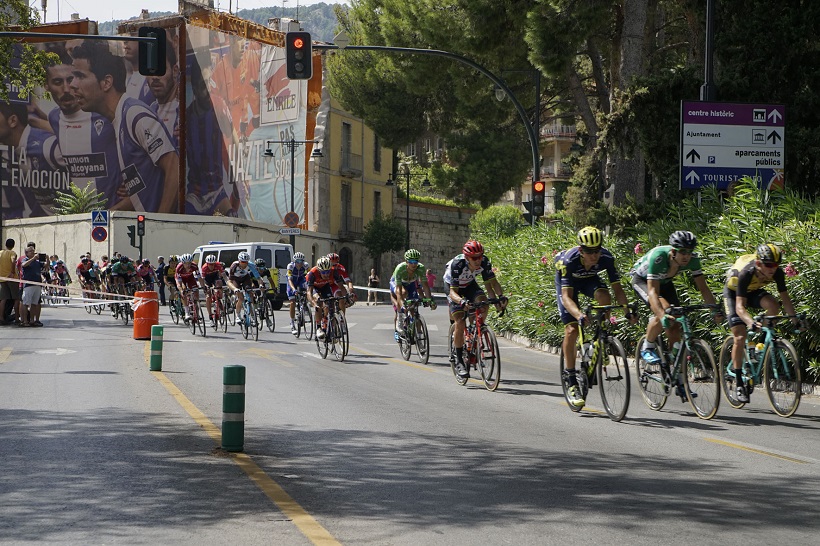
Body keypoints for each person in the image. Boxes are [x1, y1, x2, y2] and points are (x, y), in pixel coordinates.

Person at [70, 40, 179, 213]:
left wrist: (159, 225)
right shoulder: (120, 119)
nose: (72, 84)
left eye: (80, 76)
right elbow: (144, 193)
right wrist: (105, 218)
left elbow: (174, 167)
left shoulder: (135, 115)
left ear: (106, 82)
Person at [631, 231, 724, 398]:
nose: (686, 256)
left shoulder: (693, 259)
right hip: (643, 281)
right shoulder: (659, 257)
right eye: (682, 252)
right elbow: (652, 292)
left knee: (676, 327)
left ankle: (680, 381)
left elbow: (703, 288)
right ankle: (648, 346)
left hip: (665, 282)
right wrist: (661, 314)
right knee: (664, 310)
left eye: (689, 252)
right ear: (673, 251)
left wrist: (714, 309)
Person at [554, 226, 637, 407]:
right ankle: (570, 379)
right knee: (571, 328)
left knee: (604, 297)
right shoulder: (569, 261)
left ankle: (601, 337)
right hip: (568, 285)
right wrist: (579, 315)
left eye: (597, 251)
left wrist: (627, 311)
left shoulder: (606, 258)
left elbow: (618, 290)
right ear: (581, 250)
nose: (594, 256)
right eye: (590, 252)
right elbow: (567, 298)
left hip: (589, 280)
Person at [44, 46, 121, 208]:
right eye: (58, 82)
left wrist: (132, 184)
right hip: (80, 214)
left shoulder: (104, 113)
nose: (67, 89)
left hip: (112, 212)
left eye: (71, 79)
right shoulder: (53, 118)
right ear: (47, 86)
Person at [724, 243, 801, 403]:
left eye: (776, 265)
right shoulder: (746, 273)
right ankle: (739, 383)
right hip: (734, 293)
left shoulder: (777, 273)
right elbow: (740, 307)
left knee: (774, 306)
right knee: (740, 335)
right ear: (759, 264)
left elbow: (785, 300)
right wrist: (750, 322)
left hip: (753, 291)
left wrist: (795, 320)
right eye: (769, 265)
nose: (773, 268)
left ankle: (759, 345)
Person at [444, 240, 508, 379]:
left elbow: (492, 284)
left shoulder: (484, 262)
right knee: (460, 321)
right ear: (467, 258)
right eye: (474, 258)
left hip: (469, 285)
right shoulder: (458, 265)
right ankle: (460, 360)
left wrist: (500, 298)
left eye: (480, 256)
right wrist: (461, 301)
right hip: (453, 288)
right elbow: (452, 292)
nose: (478, 260)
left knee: (483, 302)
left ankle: (476, 329)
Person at [390, 249, 437, 341]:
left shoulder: (421, 268)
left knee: (414, 309)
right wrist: (402, 305)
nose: (414, 264)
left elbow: (425, 286)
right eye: (411, 262)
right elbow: (399, 292)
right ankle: (399, 321)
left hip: (410, 283)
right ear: (406, 262)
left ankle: (418, 333)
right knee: (403, 294)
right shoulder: (400, 269)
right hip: (397, 283)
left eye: (416, 262)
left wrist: (429, 300)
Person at [306, 256, 348, 340]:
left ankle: (326, 322)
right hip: (314, 287)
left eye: (328, 272)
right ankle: (318, 327)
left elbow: (341, 287)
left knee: (330, 303)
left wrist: (345, 297)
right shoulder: (312, 274)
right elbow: (309, 292)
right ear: (319, 270)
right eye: (324, 272)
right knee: (318, 302)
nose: (326, 274)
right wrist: (313, 304)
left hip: (325, 286)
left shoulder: (334, 272)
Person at [225, 251, 263, 324]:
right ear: (239, 261)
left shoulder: (251, 265)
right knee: (241, 298)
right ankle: (238, 316)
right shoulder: (234, 266)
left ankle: (253, 316)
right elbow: (229, 282)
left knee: (250, 295)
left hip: (245, 278)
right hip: (236, 279)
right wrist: (235, 289)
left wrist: (261, 284)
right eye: (242, 262)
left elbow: (258, 278)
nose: (244, 264)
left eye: (246, 262)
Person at [175, 253, 205, 321]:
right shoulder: (179, 268)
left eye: (189, 263)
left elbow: (199, 278)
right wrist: (181, 290)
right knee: (184, 291)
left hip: (190, 278)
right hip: (182, 280)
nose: (188, 265)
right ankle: (186, 312)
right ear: (183, 263)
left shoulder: (194, 266)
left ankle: (197, 312)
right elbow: (179, 283)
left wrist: (203, 287)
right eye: (186, 263)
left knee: (196, 291)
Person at [19, 246, 44, 327]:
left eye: (33, 251)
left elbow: (45, 266)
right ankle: (25, 320)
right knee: (26, 303)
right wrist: (33, 259)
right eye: (31, 251)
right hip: (29, 285)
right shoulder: (25, 260)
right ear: (26, 253)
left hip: (37, 284)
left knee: (34, 303)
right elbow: (23, 265)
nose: (33, 253)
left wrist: (46, 259)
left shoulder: (37, 262)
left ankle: (32, 320)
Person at [285, 252, 308, 334]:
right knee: (292, 302)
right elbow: (289, 280)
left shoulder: (305, 265)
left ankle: (304, 304)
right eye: (297, 261)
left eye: (301, 261)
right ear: (294, 261)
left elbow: (310, 275)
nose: (299, 263)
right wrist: (294, 289)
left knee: (308, 287)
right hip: (292, 281)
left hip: (301, 280)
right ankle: (292, 322)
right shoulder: (290, 266)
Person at [201, 254, 226, 325]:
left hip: (215, 277)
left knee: (219, 285)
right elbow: (202, 280)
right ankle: (210, 317)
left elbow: (224, 275)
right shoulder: (204, 267)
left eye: (213, 264)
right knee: (208, 297)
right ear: (207, 263)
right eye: (210, 264)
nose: (211, 266)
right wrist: (205, 287)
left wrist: (227, 283)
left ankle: (219, 299)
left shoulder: (218, 265)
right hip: (207, 279)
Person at [0, 238, 20, 325]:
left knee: (3, 298)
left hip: (2, 278)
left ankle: (1, 317)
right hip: (12, 278)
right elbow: (13, 261)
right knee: (16, 298)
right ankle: (16, 318)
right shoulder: (12, 253)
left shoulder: (0, 253)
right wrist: (12, 272)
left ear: (5, 244)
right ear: (13, 245)